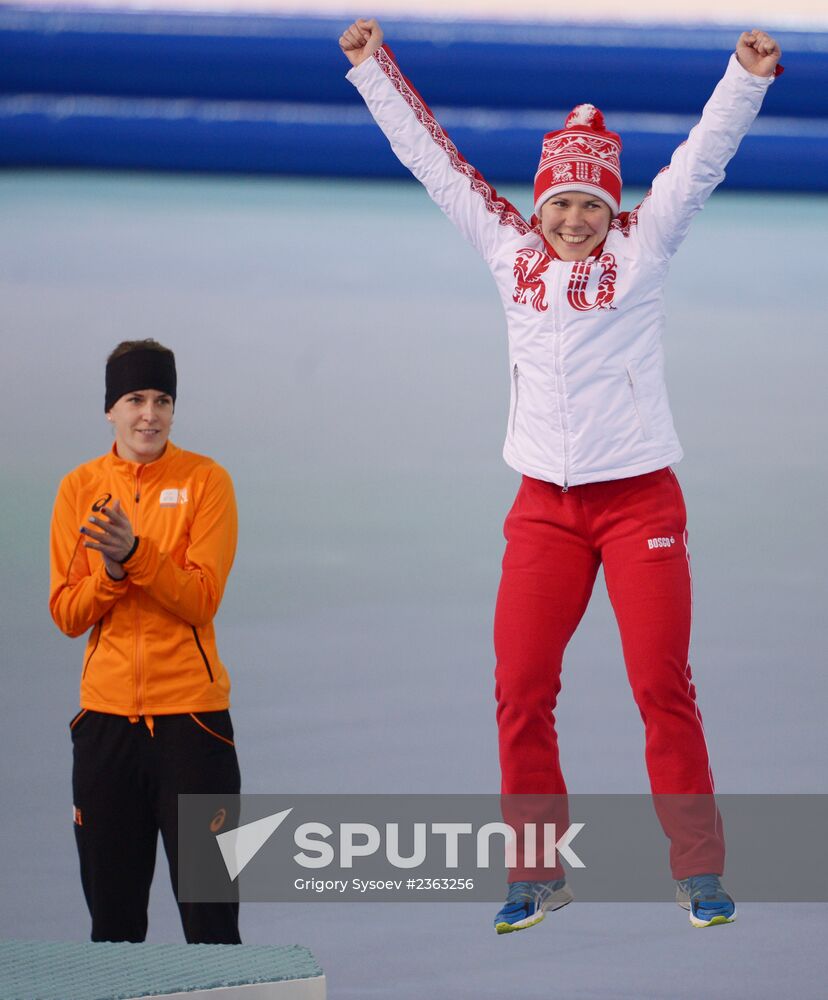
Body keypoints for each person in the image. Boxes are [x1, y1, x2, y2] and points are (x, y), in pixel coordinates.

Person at [339, 19, 782, 932]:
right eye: (559, 203)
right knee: (520, 685)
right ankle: (537, 870)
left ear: (610, 207)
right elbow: (434, 160)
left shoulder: (644, 246)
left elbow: (702, 158)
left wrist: (744, 78)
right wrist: (372, 70)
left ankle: (698, 869)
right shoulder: (509, 253)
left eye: (590, 203)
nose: (574, 219)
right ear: (535, 205)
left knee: (661, 684)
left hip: (639, 502)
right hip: (543, 508)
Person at [49, 339, 241, 943]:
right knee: (113, 927)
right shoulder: (78, 489)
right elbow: (66, 612)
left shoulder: (207, 482)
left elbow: (200, 597)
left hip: (195, 727)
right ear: (111, 408)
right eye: (134, 399)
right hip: (105, 729)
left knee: (213, 924)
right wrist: (109, 577)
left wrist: (134, 554)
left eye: (162, 400)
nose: (149, 415)